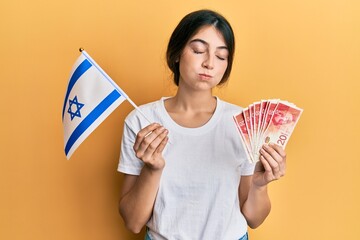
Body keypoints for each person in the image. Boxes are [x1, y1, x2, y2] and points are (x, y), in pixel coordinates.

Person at [118, 9, 286, 240]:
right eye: (198, 50)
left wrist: (259, 185)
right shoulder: (141, 120)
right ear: (177, 54)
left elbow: (254, 219)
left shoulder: (243, 123)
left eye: (221, 56)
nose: (209, 63)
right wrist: (152, 169)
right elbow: (133, 222)